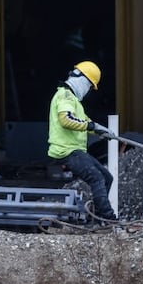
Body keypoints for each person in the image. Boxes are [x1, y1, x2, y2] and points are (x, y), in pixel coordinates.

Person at [47, 60, 117, 221]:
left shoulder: (72, 99)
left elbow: (83, 120)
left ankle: (98, 218)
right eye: (90, 86)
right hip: (67, 150)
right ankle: (108, 219)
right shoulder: (65, 96)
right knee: (97, 178)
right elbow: (66, 119)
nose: (89, 91)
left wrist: (100, 130)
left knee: (107, 178)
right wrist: (92, 125)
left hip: (75, 150)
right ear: (84, 81)